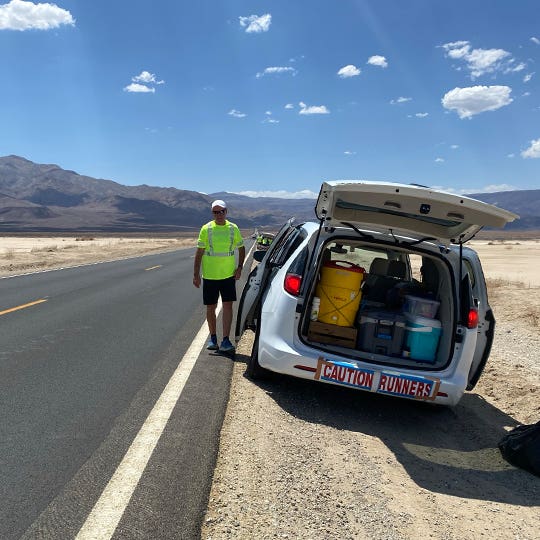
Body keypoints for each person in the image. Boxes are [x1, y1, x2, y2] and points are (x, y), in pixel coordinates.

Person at [193, 199, 246, 352]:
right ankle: (213, 338)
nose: (219, 215)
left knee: (228, 306)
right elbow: (199, 252)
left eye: (221, 211)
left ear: (226, 212)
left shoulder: (233, 228)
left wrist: (240, 267)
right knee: (211, 307)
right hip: (210, 276)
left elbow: (241, 248)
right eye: (215, 212)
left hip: (228, 275)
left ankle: (225, 340)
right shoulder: (206, 228)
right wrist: (196, 274)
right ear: (212, 213)